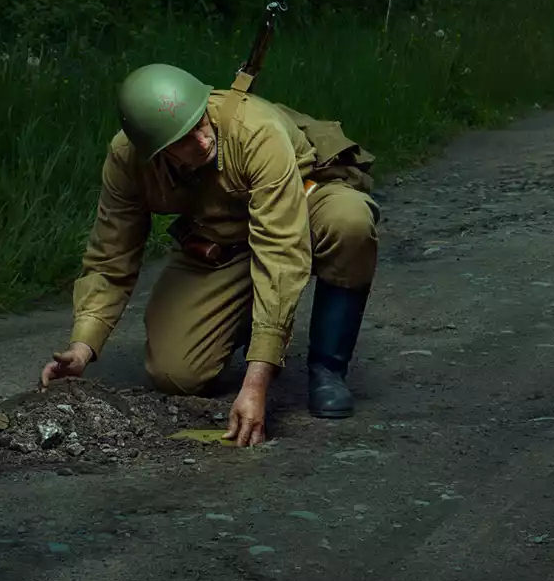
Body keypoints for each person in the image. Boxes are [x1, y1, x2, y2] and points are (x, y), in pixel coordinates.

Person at [39, 62, 381, 444]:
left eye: (200, 124)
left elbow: (280, 252)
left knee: (348, 221)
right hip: (224, 242)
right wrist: (81, 348)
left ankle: (327, 369)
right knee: (175, 374)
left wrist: (256, 382)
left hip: (296, 211)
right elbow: (110, 254)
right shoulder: (127, 160)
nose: (201, 141)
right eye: (182, 141)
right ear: (154, 152)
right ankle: (243, 318)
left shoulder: (256, 129)